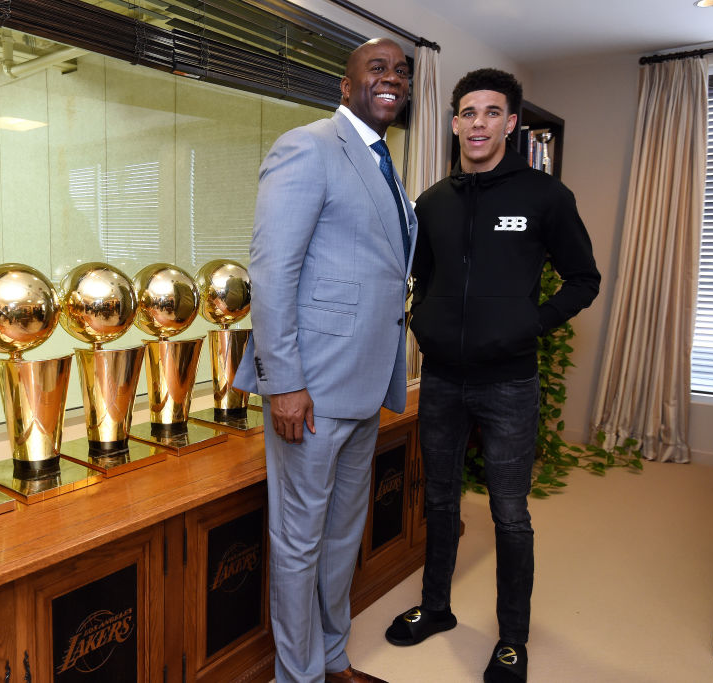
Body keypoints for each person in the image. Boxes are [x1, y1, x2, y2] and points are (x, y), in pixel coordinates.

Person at [384, 68, 600, 683]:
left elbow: (585, 279)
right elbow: (418, 278)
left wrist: (528, 325)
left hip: (509, 382)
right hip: (444, 381)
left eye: (491, 113)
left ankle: (512, 638)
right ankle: (436, 608)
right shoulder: (433, 201)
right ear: (455, 123)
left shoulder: (544, 197)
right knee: (440, 500)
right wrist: (421, 320)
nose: (477, 123)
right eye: (467, 112)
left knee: (510, 513)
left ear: (511, 123)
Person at [233, 37, 415, 683]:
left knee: (341, 539)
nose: (391, 78)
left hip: (363, 383)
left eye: (401, 71)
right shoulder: (308, 146)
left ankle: (333, 659)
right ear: (346, 85)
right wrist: (283, 382)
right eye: (377, 68)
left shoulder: (380, 161)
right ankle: (299, 675)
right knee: (300, 540)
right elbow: (273, 272)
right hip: (308, 390)